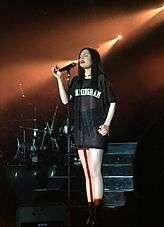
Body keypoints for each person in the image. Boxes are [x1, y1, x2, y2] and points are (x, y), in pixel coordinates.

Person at [51, 47, 116, 226]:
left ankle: (97, 211)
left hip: (95, 128)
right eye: (80, 55)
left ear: (94, 59)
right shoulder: (77, 82)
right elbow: (65, 101)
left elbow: (112, 103)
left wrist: (107, 124)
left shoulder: (101, 80)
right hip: (80, 129)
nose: (82, 57)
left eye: (86, 55)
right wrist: (59, 80)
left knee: (95, 171)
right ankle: (91, 211)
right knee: (87, 173)